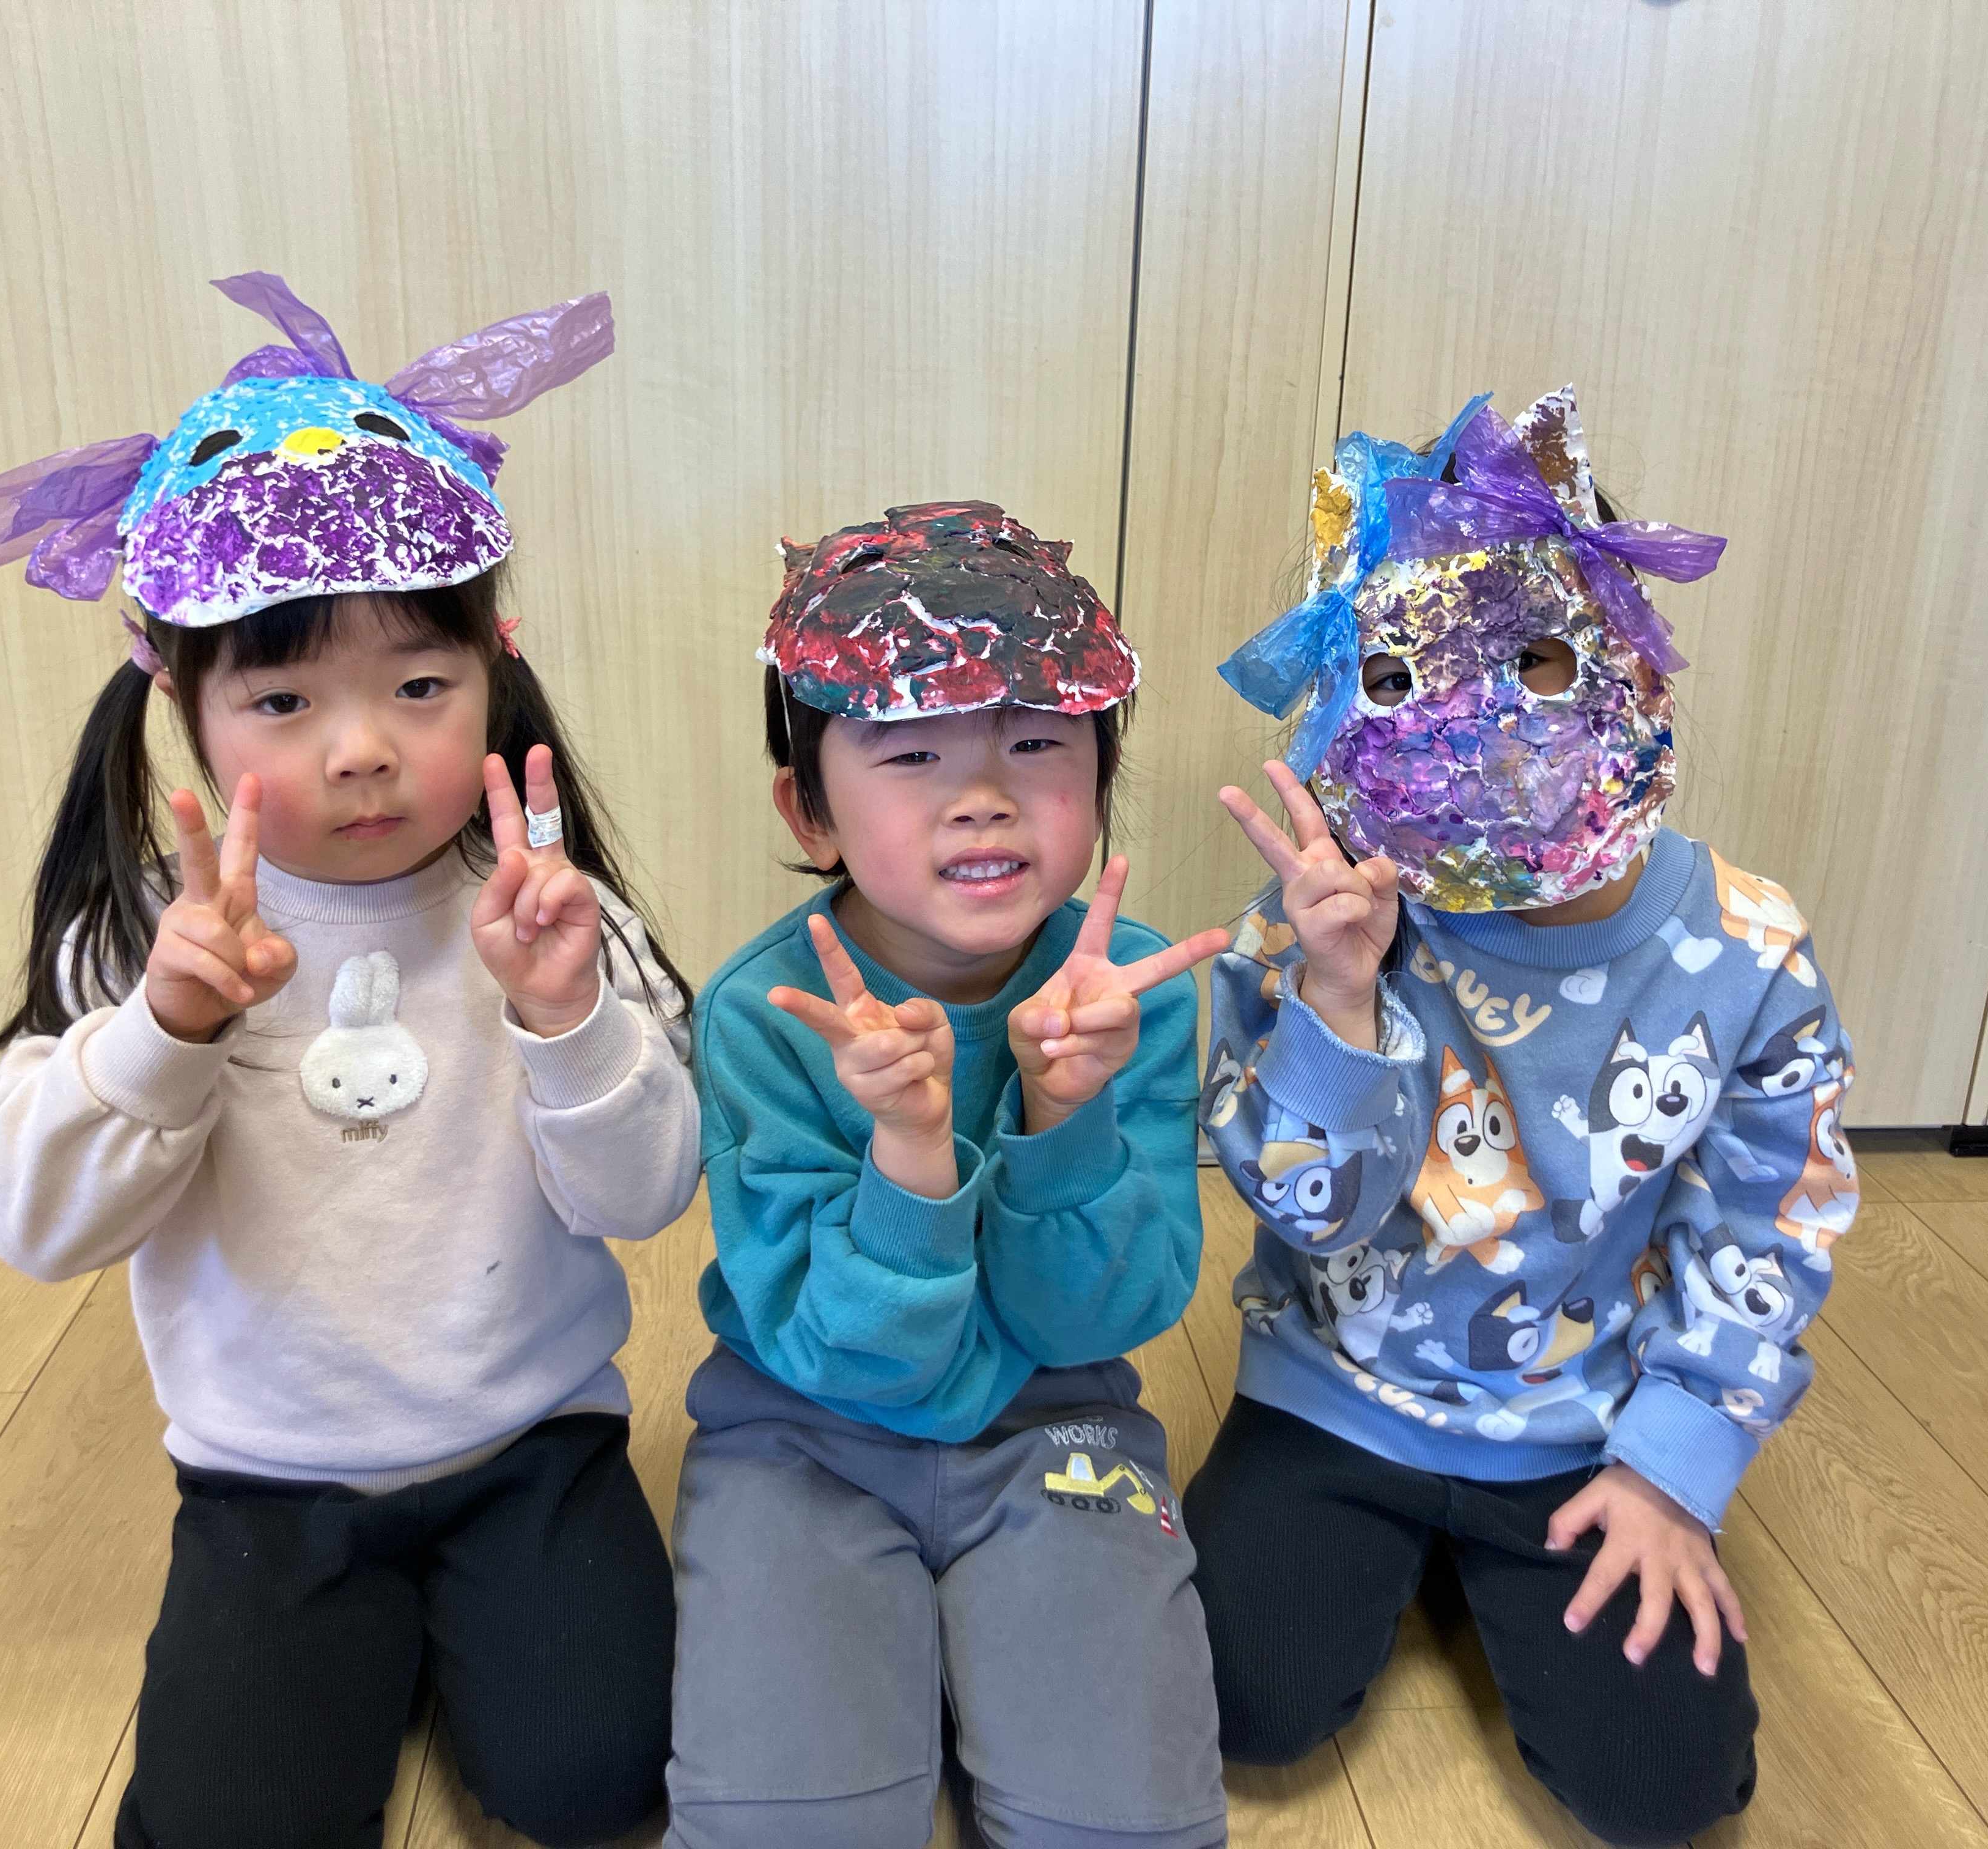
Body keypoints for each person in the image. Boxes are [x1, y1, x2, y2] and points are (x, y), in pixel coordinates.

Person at [0, 275, 697, 1849]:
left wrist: (566, 1019)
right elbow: (38, 1227)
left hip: (535, 1446)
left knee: (600, 1781)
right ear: (181, 701)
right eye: (282, 696)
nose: (362, 747)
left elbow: (648, 1199)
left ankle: (446, 1640)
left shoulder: (546, 912)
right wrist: (168, 1032)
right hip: (266, 1484)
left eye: (419, 684)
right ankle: (364, 1647)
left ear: (494, 665)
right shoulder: (151, 935)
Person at [1189, 387, 1855, 1847]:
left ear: (1631, 660)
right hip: (1341, 1389)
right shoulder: (1321, 921)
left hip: (1584, 1428)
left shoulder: (1745, 951)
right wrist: (1339, 996)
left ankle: (1500, 1560)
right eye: (1407, 679)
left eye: (1534, 659)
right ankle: (1388, 1551)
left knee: (1669, 1790)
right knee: (1237, 1703)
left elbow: (1773, 1221)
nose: (1483, 723)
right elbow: (1309, 1209)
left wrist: (1676, 1463)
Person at [663, 502, 1232, 1849]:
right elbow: (837, 1350)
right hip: (802, 1431)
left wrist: (1064, 1108)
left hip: (1059, 1424)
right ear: (809, 810)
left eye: (1038, 744)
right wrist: (912, 1156)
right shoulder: (764, 1013)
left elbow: (1098, 1321)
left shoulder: (1129, 989)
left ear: (1101, 777)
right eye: (912, 750)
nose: (983, 794)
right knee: (777, 1831)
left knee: (1127, 1832)